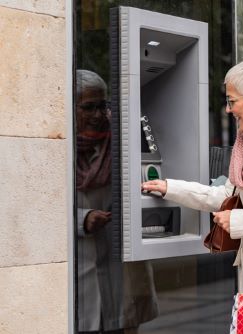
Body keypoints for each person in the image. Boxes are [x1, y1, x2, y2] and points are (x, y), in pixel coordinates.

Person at [142, 58, 243, 296]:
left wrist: (240, 221)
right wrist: (170, 188)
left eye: (232, 101)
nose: (228, 109)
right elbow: (227, 195)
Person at [76, 70, 158, 333]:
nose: (99, 115)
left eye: (102, 106)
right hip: (80, 266)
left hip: (119, 262)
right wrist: (83, 218)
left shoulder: (122, 139)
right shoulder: (54, 146)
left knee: (122, 323)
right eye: (89, 107)